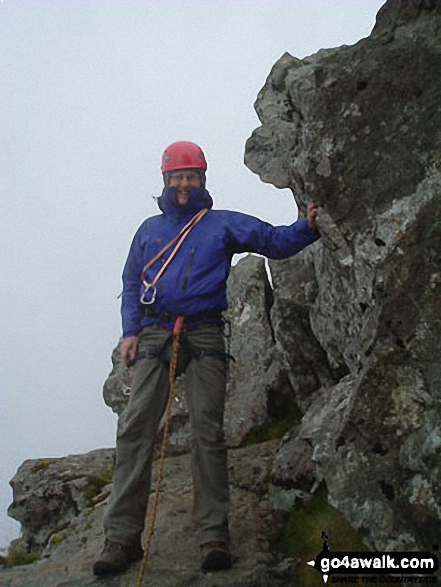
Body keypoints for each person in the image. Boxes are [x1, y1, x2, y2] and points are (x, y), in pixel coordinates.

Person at [93, 141, 320, 576]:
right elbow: (130, 278)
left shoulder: (221, 224)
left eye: (191, 177)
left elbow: (272, 240)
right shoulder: (149, 231)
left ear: (202, 180)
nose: (183, 184)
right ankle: (120, 539)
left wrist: (307, 227)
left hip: (204, 330)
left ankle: (214, 536)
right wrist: (129, 332)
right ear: (165, 181)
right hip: (155, 332)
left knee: (208, 434)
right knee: (136, 429)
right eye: (177, 177)